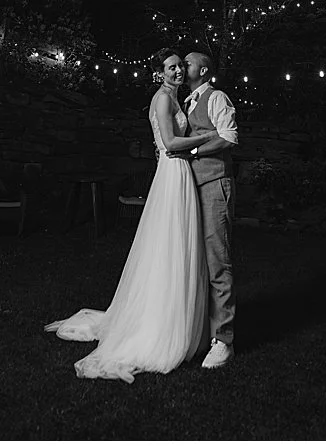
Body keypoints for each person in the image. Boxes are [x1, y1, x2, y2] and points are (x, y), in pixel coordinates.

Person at [44, 49, 212, 383]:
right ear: (159, 72)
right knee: (170, 242)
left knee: (175, 243)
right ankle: (160, 324)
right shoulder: (163, 100)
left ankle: (175, 314)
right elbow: (168, 141)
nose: (178, 70)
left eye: (180, 65)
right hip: (173, 170)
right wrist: (207, 136)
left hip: (178, 173)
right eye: (171, 66)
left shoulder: (174, 99)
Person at [169, 51, 240, 369]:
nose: (183, 67)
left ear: (204, 69)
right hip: (189, 189)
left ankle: (224, 341)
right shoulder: (184, 102)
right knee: (194, 262)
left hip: (214, 186)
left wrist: (194, 150)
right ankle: (199, 332)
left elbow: (229, 137)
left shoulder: (217, 97)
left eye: (188, 62)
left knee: (217, 264)